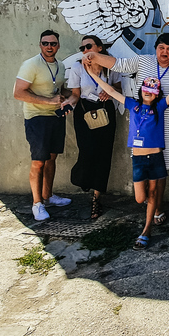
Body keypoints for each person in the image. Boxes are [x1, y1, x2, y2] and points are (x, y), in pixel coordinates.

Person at [84, 33, 169, 224]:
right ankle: (150, 203)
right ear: (155, 48)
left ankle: (158, 207)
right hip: (143, 126)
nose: (165, 52)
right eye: (161, 47)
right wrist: (93, 57)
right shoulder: (142, 61)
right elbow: (118, 64)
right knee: (144, 170)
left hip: (168, 125)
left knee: (162, 169)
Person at [84, 56, 169, 250]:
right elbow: (110, 91)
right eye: (146, 89)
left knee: (154, 192)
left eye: (153, 89)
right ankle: (153, 207)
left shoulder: (160, 107)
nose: (149, 92)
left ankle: (146, 230)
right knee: (141, 197)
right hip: (138, 159)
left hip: (156, 158)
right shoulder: (133, 105)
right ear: (141, 91)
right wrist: (92, 74)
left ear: (157, 94)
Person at [14, 30, 72, 221]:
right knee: (38, 161)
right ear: (40, 45)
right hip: (36, 117)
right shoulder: (31, 65)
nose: (49, 47)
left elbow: (60, 89)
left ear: (58, 46)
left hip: (55, 117)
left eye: (53, 43)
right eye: (45, 43)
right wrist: (48, 102)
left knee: (51, 158)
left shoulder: (61, 66)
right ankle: (37, 204)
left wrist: (65, 98)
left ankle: (48, 196)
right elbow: (18, 93)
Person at [63, 35, 121, 220]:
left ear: (100, 48)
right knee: (87, 151)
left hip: (105, 110)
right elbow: (75, 95)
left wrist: (110, 92)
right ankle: (82, 177)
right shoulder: (78, 67)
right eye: (82, 48)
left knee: (104, 154)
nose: (85, 51)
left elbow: (119, 87)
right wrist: (67, 105)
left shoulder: (111, 65)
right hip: (84, 110)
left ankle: (96, 198)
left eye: (88, 46)